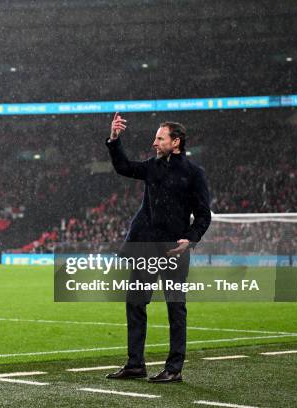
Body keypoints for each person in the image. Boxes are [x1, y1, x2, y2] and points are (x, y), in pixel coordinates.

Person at [105, 112, 211, 383]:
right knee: (135, 302)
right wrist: (115, 138)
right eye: (155, 138)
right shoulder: (152, 166)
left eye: (160, 138)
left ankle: (174, 368)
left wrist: (191, 238)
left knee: (175, 307)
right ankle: (135, 364)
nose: (155, 142)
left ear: (176, 142)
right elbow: (124, 167)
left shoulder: (194, 173)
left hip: (173, 249)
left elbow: (203, 214)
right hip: (145, 248)